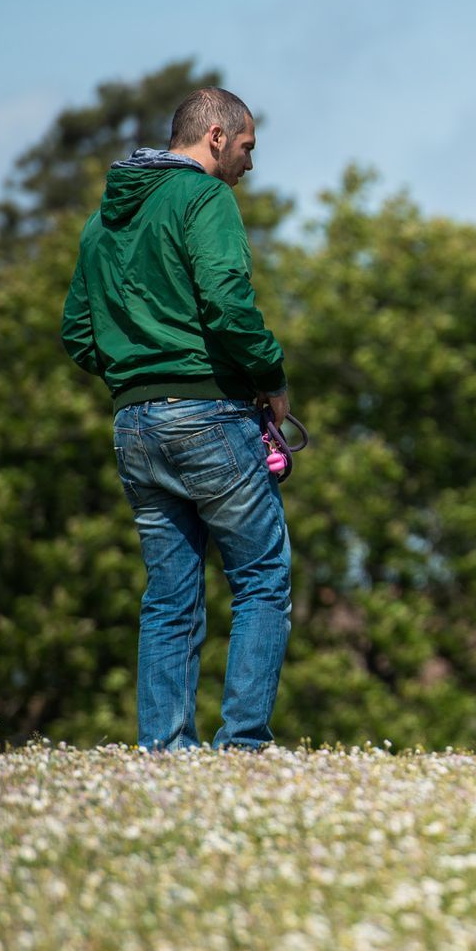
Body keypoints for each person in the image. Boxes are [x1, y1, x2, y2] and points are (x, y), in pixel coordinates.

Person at [60, 87, 292, 751]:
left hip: (133, 425)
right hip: (210, 416)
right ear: (216, 136)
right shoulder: (204, 199)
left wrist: (138, 375)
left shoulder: (101, 223)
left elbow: (79, 333)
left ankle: (164, 752)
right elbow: (227, 302)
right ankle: (243, 747)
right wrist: (269, 378)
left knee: (169, 596)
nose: (250, 165)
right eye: (248, 147)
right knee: (261, 578)